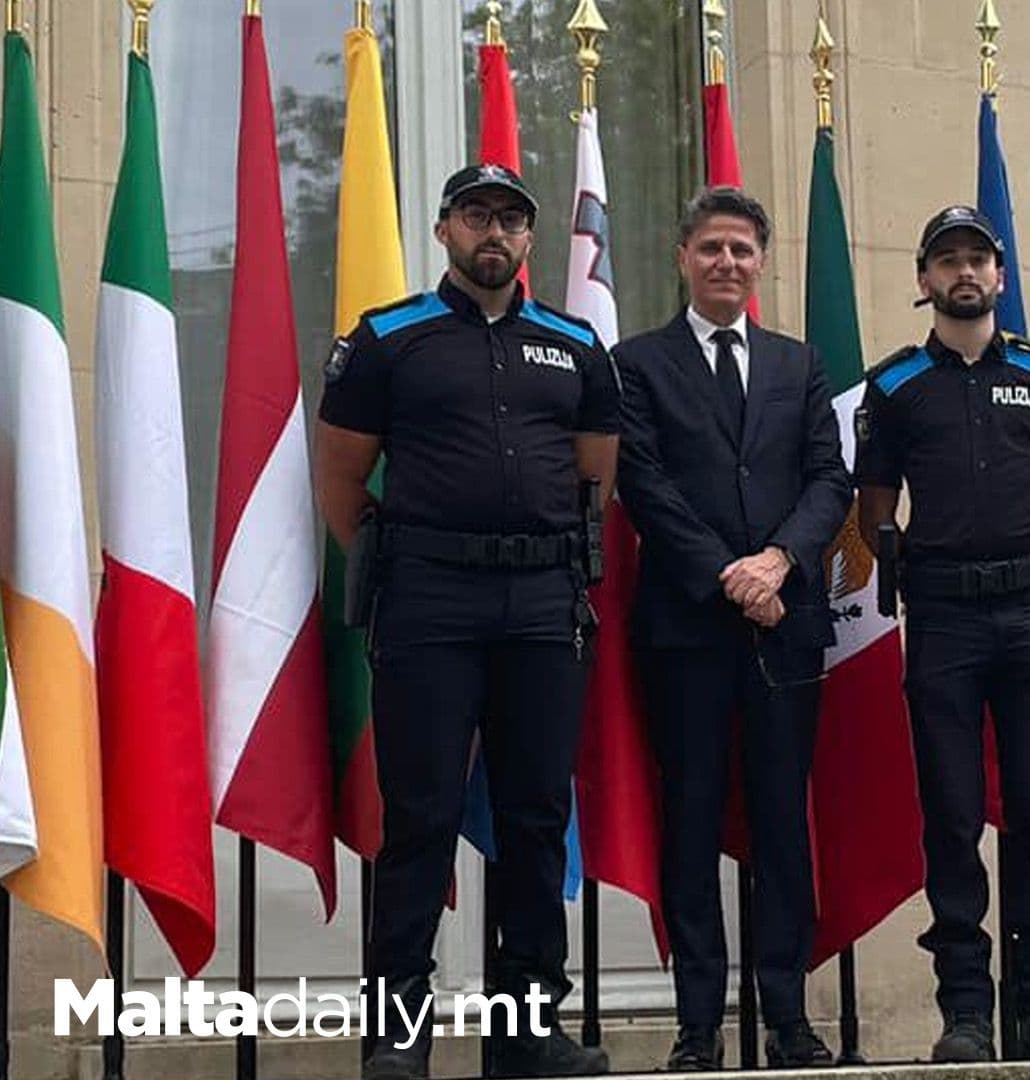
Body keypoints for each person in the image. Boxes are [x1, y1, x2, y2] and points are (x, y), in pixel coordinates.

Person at [316, 163, 615, 1080]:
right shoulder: (387, 339)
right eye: (479, 217)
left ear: (530, 241)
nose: (497, 234)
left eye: (513, 221)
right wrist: (410, 559)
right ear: (445, 229)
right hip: (429, 603)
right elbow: (338, 478)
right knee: (421, 816)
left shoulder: (573, 345)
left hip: (539, 605)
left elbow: (595, 476)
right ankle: (396, 1036)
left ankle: (525, 1032)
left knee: (533, 818)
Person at [853, 206, 1030, 1063]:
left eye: (978, 261)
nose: (964, 274)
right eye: (947, 261)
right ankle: (964, 1009)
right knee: (952, 816)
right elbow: (875, 513)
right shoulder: (892, 389)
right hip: (946, 620)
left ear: (999, 277)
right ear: (923, 280)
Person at [612, 186, 851, 1072]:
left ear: (761, 262)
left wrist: (779, 562)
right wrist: (728, 574)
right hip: (688, 631)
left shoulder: (799, 364)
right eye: (711, 248)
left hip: (786, 626)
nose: (726, 263)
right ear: (683, 258)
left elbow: (829, 479)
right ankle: (699, 1024)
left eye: (742, 250)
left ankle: (788, 1017)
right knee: (691, 819)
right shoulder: (636, 363)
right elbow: (645, 484)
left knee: (785, 821)